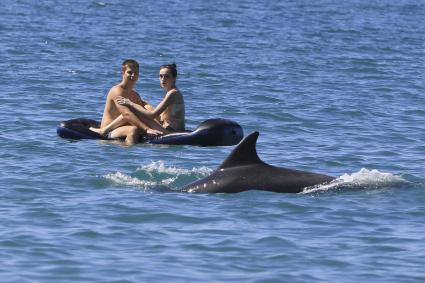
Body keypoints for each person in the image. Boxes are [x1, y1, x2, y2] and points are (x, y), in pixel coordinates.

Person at [94, 63, 185, 136]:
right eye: (161, 76)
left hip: (170, 132)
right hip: (167, 128)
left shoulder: (173, 93)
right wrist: (142, 104)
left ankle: (104, 130)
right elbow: (158, 114)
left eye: (167, 76)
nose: (163, 79)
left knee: (131, 112)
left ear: (174, 78)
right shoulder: (172, 93)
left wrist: (130, 104)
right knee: (142, 108)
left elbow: (152, 115)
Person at [90, 59, 163, 145]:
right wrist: (147, 129)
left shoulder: (135, 95)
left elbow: (142, 114)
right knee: (133, 130)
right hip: (110, 130)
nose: (133, 75)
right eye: (130, 72)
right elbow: (126, 115)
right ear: (123, 72)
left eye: (136, 73)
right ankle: (128, 156)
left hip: (125, 127)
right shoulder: (116, 91)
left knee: (146, 110)